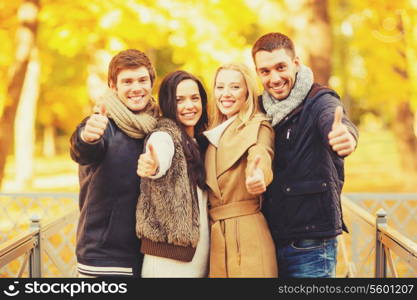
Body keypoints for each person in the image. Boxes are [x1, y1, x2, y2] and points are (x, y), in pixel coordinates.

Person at [251, 32, 359, 278]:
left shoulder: (319, 99)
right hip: (270, 240)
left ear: (296, 63)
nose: (275, 78)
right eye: (265, 71)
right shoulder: (259, 108)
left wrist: (345, 136)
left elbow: (333, 118)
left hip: (311, 244)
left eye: (281, 67)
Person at [70, 49, 159, 277]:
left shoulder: (158, 124)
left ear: (152, 82)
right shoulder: (102, 125)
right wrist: (87, 138)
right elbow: (83, 149)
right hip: (105, 256)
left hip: (148, 256)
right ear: (113, 85)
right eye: (127, 81)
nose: (136, 88)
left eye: (142, 80)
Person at [203, 63, 277, 277]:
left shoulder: (258, 126)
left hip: (247, 237)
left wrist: (259, 176)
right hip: (216, 238)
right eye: (220, 87)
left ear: (247, 92)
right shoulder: (212, 132)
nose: (225, 94)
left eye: (235, 87)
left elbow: (261, 153)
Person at [135, 70, 210, 277]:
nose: (189, 106)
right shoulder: (164, 136)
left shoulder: (199, 141)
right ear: (168, 103)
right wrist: (154, 165)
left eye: (195, 98)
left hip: (196, 259)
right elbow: (159, 157)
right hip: (168, 264)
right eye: (180, 100)